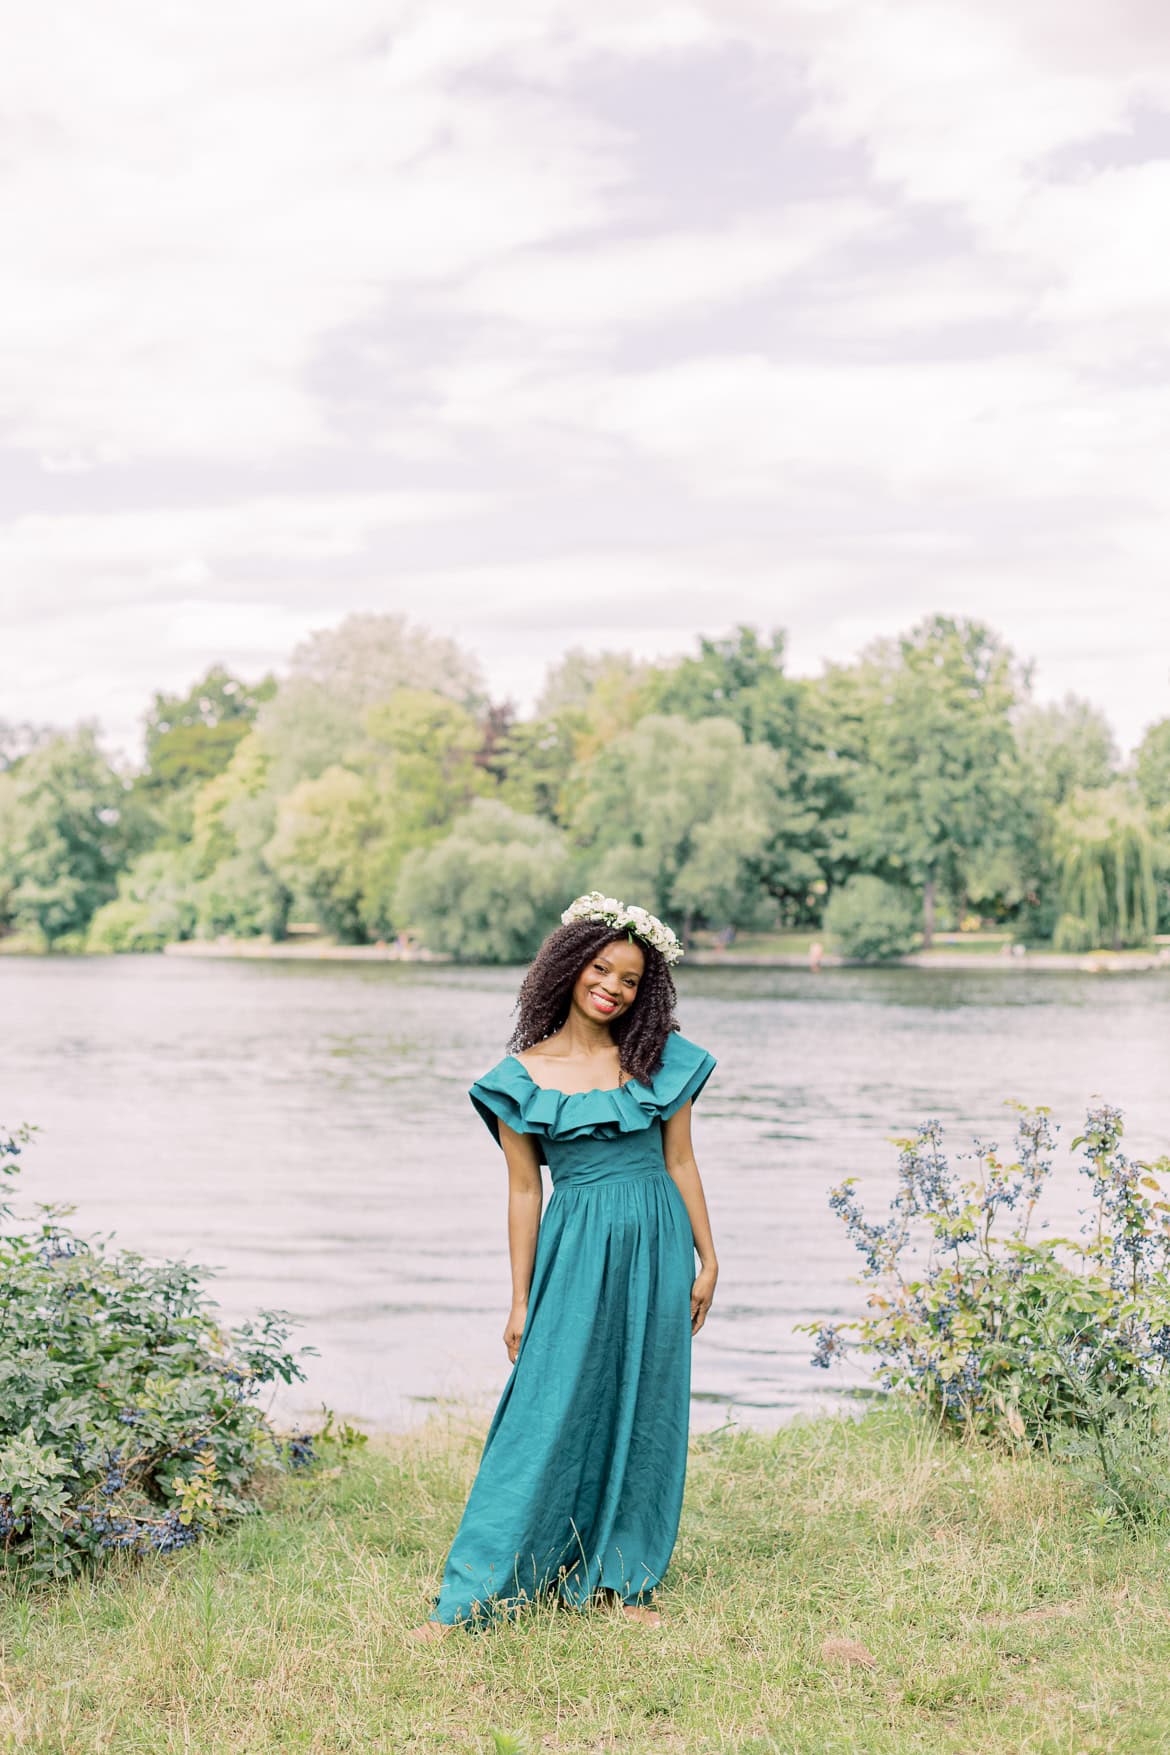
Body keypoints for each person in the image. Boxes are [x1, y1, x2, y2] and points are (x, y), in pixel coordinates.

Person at [409, 891, 719, 1638]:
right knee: (542, 1412)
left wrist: (710, 1257)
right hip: (576, 1245)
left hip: (658, 1237)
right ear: (569, 965)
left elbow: (680, 1159)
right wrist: (519, 1300)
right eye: (602, 969)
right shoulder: (519, 1077)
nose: (613, 987)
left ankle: (623, 1578)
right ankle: (471, 1595)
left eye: (632, 978)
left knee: (646, 1405)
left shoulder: (658, 1060)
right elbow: (523, 1190)